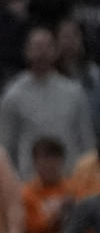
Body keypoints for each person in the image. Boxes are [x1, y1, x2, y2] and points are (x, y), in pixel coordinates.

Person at [0, 27, 95, 178]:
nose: (42, 53)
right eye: (37, 47)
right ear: (27, 52)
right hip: (29, 183)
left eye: (47, 47)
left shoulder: (74, 92)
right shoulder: (13, 95)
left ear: (56, 52)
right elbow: (5, 147)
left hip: (69, 181)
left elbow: (87, 142)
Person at [22, 137, 70, 233]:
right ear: (35, 163)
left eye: (53, 161)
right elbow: (30, 226)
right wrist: (54, 214)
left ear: (61, 161)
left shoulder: (74, 189)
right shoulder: (26, 194)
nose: (48, 166)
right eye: (43, 161)